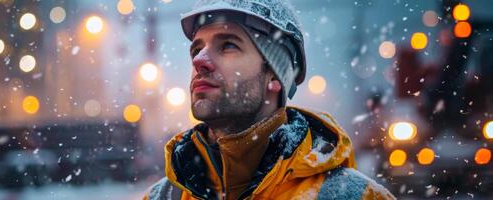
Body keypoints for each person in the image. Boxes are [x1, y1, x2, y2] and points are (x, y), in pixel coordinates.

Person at [144, 0, 395, 199]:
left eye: (228, 45)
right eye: (197, 49)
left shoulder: (353, 197)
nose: (199, 61)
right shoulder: (162, 197)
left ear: (275, 76)